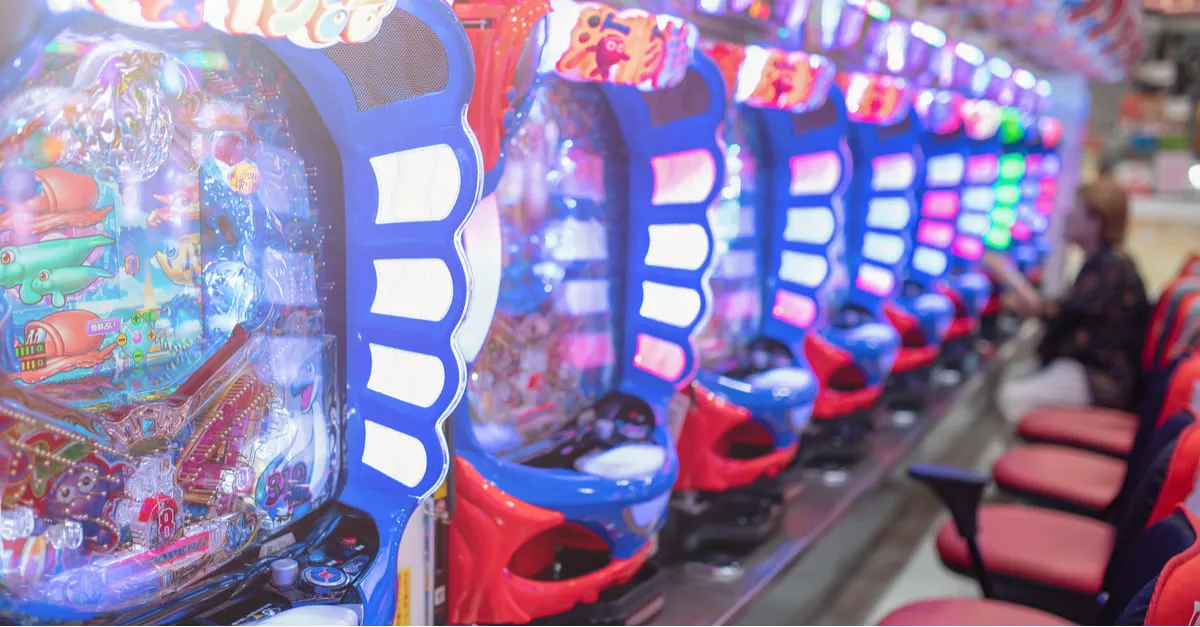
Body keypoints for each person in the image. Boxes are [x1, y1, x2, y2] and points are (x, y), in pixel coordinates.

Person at [989, 176, 1150, 424]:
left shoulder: (1111, 268)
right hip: (1085, 367)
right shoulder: (1102, 262)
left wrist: (1005, 273)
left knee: (1012, 397)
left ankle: (1035, 458)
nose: (1066, 217)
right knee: (1013, 373)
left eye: (1075, 211)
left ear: (1095, 222)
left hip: (1101, 378)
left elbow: (1057, 313)